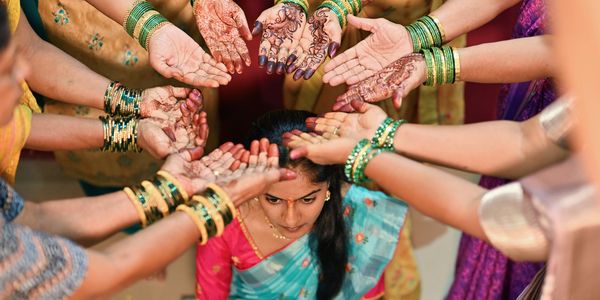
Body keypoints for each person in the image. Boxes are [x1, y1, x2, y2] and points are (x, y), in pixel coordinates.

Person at [325, 0, 555, 297]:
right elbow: (527, 142)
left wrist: (370, 151)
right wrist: (416, 41)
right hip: (530, 130)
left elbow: (512, 219)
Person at [195, 110, 409, 299]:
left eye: (308, 199)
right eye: (273, 199)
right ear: (253, 185)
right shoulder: (225, 220)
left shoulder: (361, 212)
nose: (290, 219)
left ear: (328, 186)